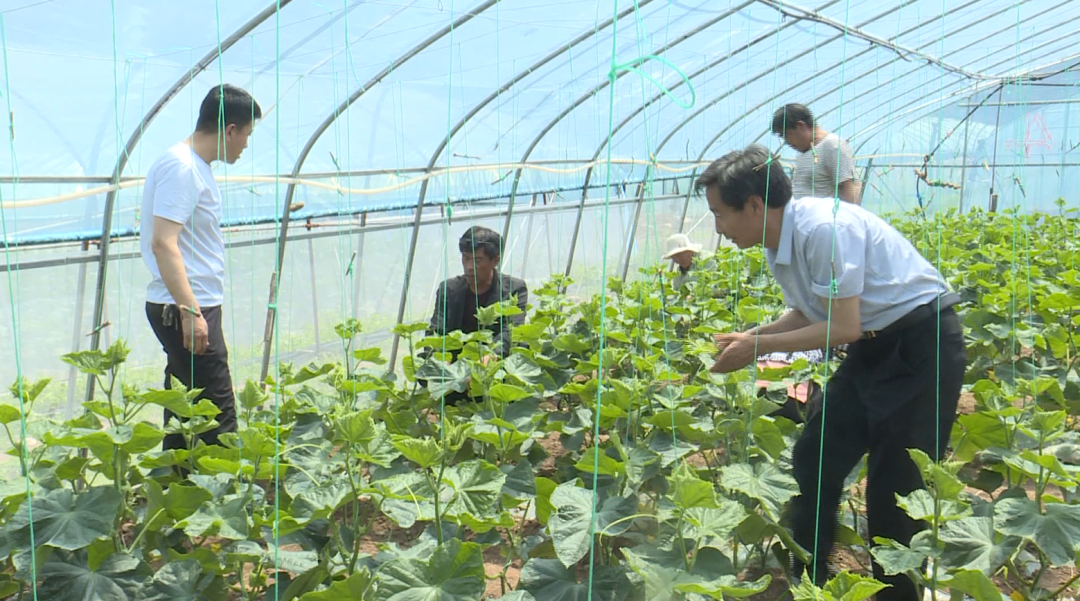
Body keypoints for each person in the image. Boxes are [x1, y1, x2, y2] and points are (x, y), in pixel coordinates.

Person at [696, 144, 965, 601]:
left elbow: (842, 325)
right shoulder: (776, 240)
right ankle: (811, 580)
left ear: (755, 206)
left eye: (720, 214)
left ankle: (894, 595)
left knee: (893, 488)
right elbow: (807, 313)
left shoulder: (824, 228)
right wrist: (749, 336)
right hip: (872, 349)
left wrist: (756, 348)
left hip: (922, 346)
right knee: (814, 455)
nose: (718, 228)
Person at [141, 84, 260, 451]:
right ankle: (226, 499)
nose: (245, 145)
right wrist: (191, 312)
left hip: (186, 305)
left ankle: (176, 494)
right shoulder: (182, 168)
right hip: (186, 308)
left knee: (185, 412)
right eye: (246, 135)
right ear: (230, 130)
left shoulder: (194, 166)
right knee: (218, 416)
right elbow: (163, 242)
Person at [423, 226, 528, 402]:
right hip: (454, 372)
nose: (469, 267)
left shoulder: (514, 289)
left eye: (477, 261)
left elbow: (510, 332)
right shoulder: (448, 289)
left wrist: (489, 358)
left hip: (494, 370)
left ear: (495, 260)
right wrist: (441, 361)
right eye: (465, 259)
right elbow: (436, 331)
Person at [772, 103, 862, 204]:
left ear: (800, 126)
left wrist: (848, 217)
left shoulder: (832, 145)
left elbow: (850, 186)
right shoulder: (804, 151)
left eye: (786, 135)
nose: (786, 142)